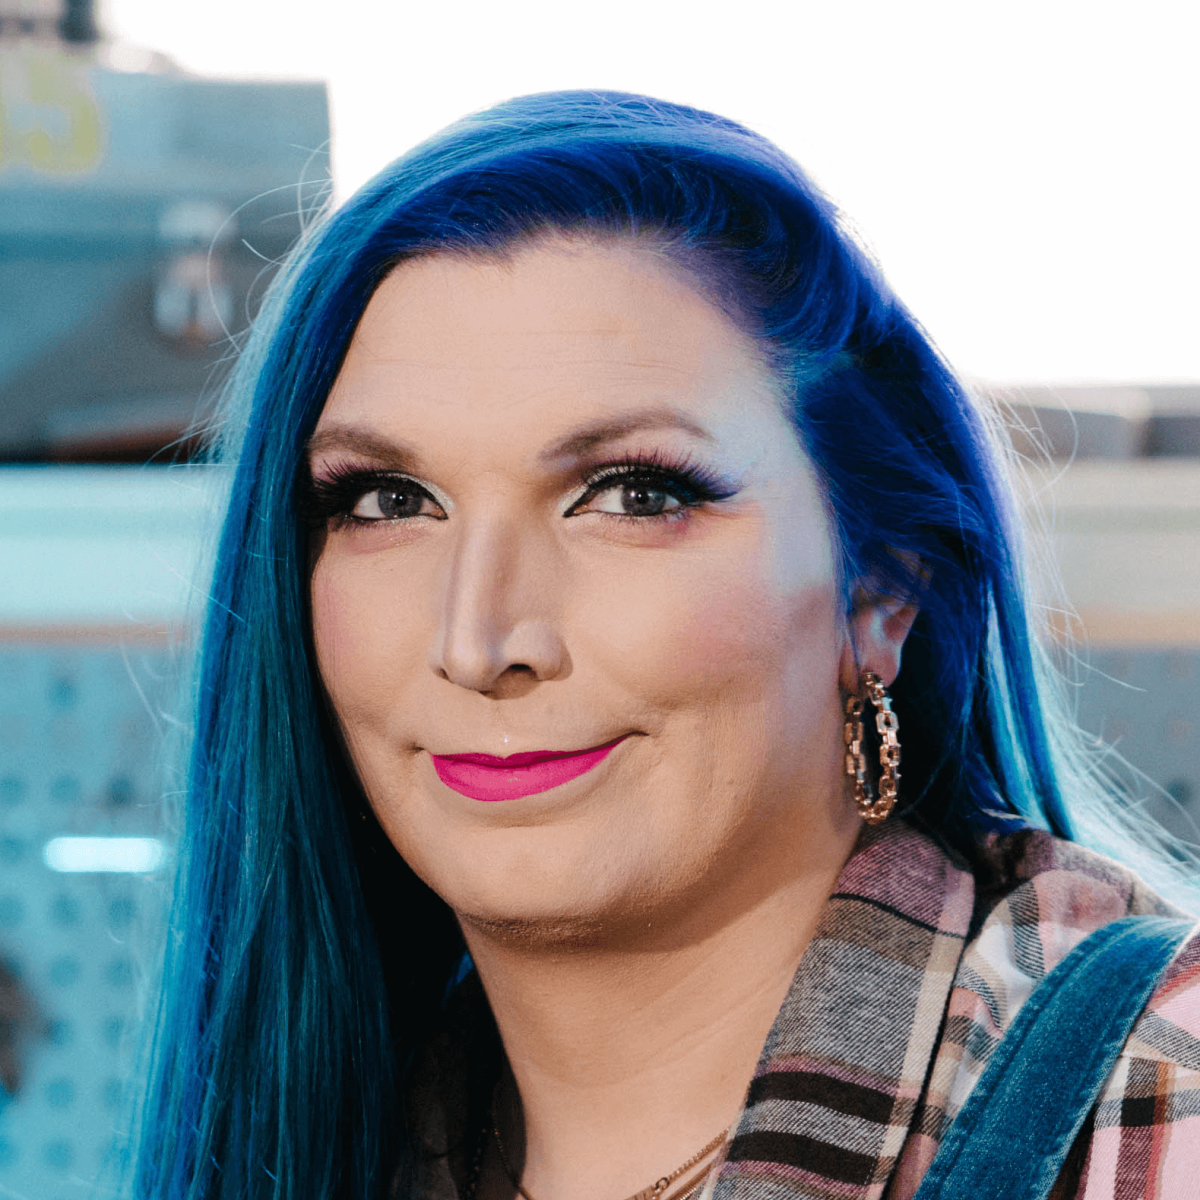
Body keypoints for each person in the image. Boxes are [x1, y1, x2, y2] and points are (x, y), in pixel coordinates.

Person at [122, 91, 1200, 1200]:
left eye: (632, 494)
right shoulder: (328, 1134)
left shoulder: (1159, 1105)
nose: (479, 638)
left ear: (882, 591)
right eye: (388, 500)